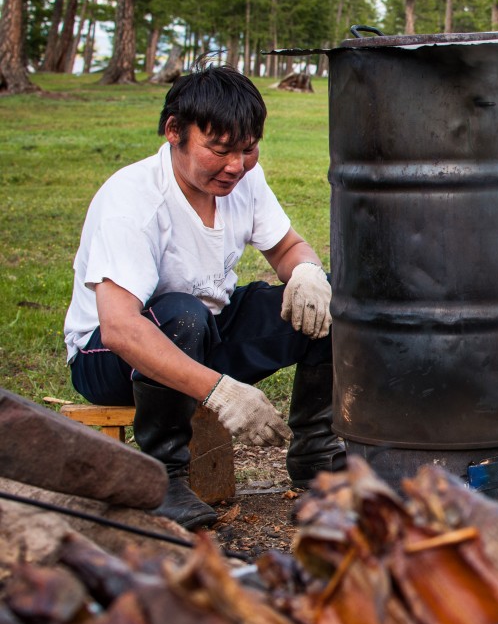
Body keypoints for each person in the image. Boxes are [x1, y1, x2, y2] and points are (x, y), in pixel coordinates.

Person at [63, 61, 346, 530]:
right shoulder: (132, 202)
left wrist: (309, 273)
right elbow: (119, 328)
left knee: (331, 297)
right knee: (181, 315)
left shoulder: (241, 179)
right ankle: (164, 479)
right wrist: (222, 393)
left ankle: (318, 463)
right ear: (175, 132)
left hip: (204, 329)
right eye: (218, 150)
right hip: (108, 357)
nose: (236, 166)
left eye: (248, 150)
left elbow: (288, 247)